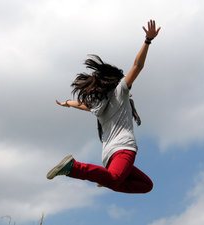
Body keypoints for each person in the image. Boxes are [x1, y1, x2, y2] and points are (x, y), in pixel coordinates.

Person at [47, 20, 161, 194]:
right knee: (115, 180)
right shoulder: (119, 92)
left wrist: (68, 103)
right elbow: (137, 66)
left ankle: (103, 176)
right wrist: (147, 41)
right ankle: (74, 168)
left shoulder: (99, 105)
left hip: (108, 156)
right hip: (123, 148)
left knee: (146, 185)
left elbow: (83, 105)